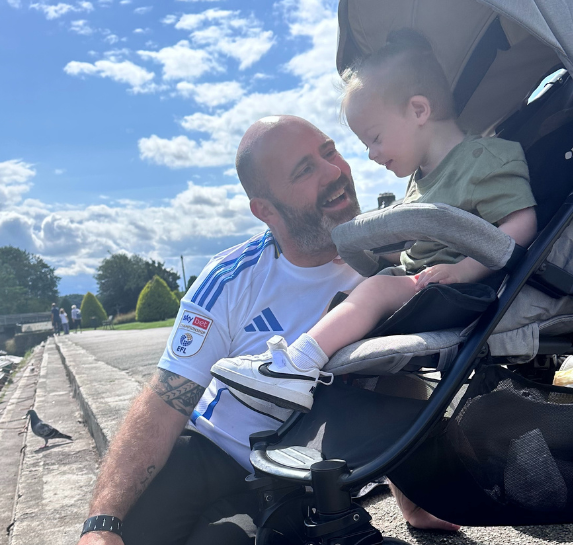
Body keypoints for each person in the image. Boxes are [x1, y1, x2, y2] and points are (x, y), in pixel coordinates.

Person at [76, 116, 454, 545]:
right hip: (208, 452)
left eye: (329, 151)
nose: (334, 172)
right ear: (266, 210)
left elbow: (402, 383)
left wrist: (414, 502)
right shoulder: (231, 277)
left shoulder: (396, 265)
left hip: (295, 473)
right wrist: (101, 523)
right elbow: (166, 399)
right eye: (305, 170)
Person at [211, 29, 537, 415]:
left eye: (375, 138)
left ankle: (296, 366)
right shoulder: (425, 176)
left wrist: (464, 270)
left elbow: (523, 222)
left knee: (377, 289)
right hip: (430, 283)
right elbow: (418, 242)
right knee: (353, 296)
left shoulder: (483, 159)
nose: (370, 154)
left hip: (464, 290)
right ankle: (308, 372)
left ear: (419, 111)